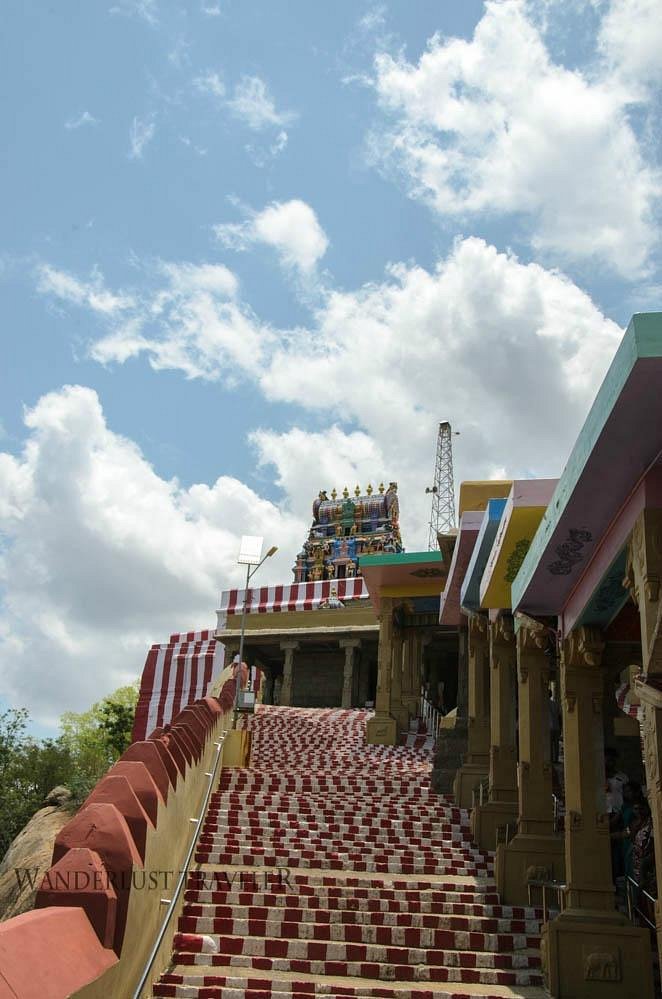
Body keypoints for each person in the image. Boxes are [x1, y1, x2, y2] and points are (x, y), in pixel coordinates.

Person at [548, 690, 561, 763]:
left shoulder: (545, 704)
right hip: (556, 727)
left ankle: (550, 759)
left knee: (549, 745)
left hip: (549, 727)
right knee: (556, 745)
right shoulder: (555, 704)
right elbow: (559, 716)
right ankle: (555, 759)